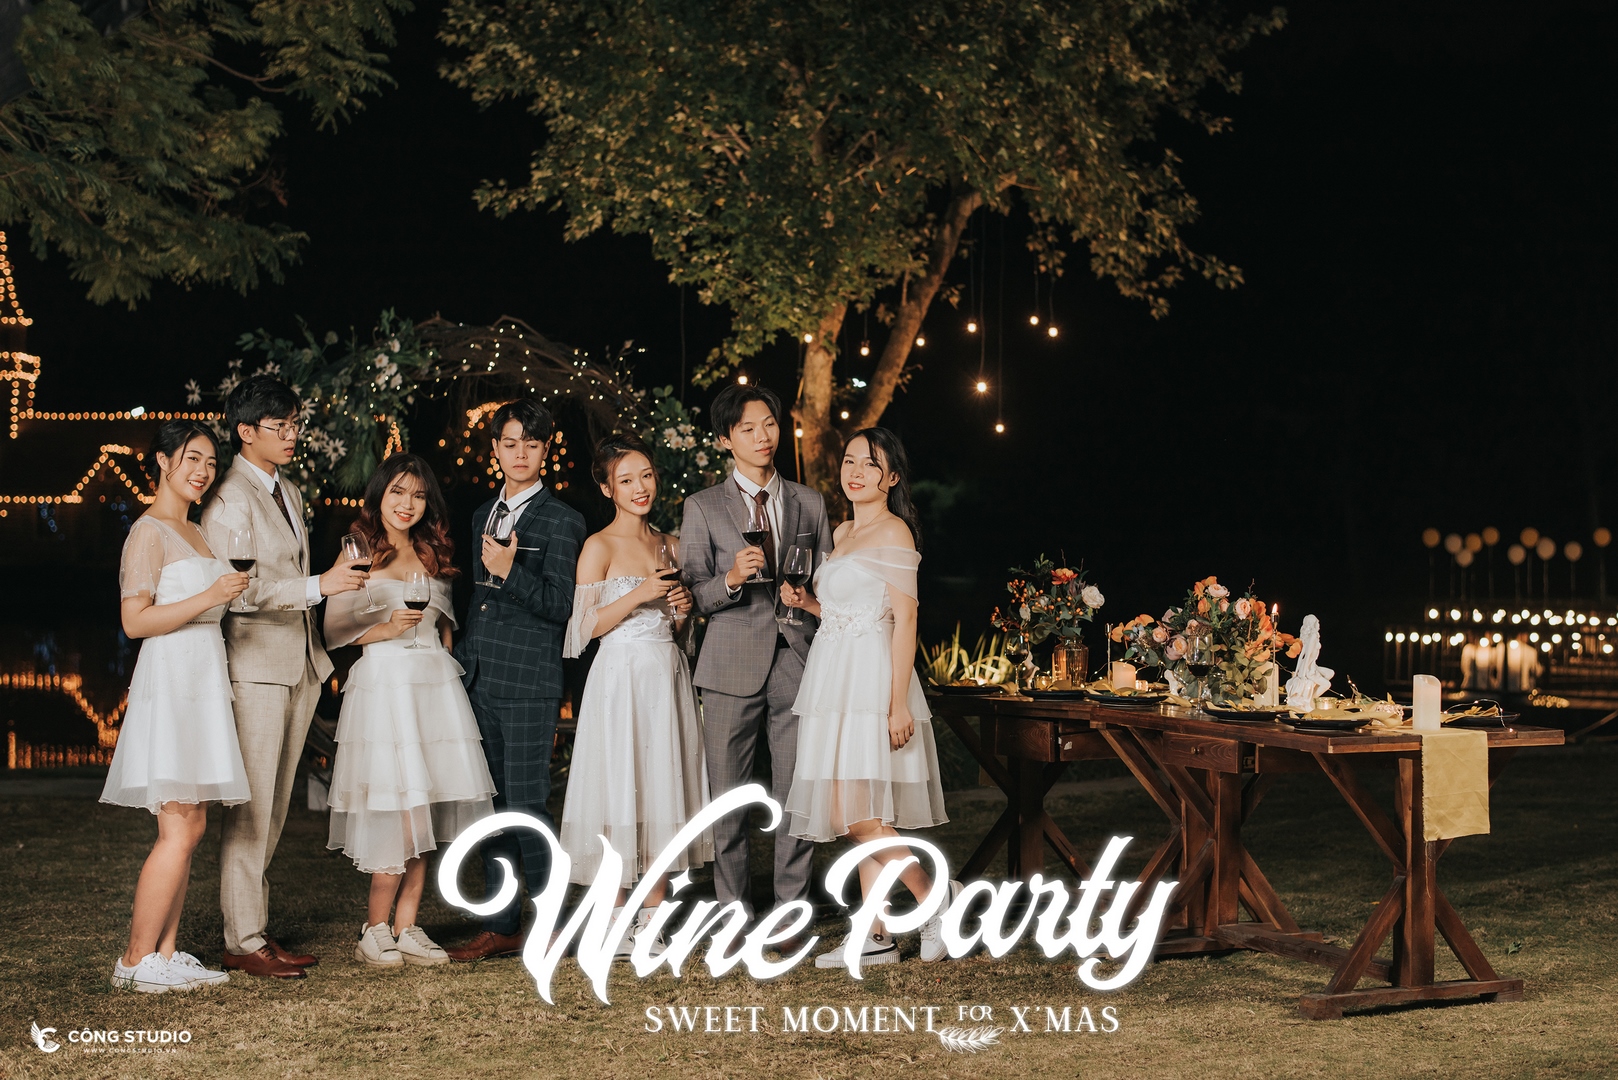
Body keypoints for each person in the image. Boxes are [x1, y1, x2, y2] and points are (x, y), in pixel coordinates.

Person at [201, 375, 368, 980]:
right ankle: (243, 940)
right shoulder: (228, 499)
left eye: (297, 424)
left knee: (272, 810)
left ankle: (253, 929)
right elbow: (237, 592)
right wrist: (320, 585)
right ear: (246, 432)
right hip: (255, 671)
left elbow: (286, 573)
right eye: (282, 426)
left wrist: (329, 579)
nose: (294, 434)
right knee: (251, 811)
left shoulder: (287, 489)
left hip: (297, 666)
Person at [778, 427, 959, 968]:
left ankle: (935, 902)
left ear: (892, 477)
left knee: (859, 814)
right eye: (850, 461)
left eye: (871, 464)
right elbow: (847, 611)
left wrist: (897, 703)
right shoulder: (843, 530)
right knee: (855, 811)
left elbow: (905, 619)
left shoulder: (894, 532)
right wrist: (809, 605)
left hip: (871, 680)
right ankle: (875, 935)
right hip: (834, 677)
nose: (856, 472)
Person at [322, 454, 497, 968]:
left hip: (431, 688)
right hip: (385, 687)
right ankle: (374, 928)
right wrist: (384, 629)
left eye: (419, 495)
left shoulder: (431, 553)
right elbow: (333, 633)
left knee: (426, 807)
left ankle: (407, 926)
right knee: (396, 811)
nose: (408, 504)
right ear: (379, 494)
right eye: (398, 492)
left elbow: (444, 628)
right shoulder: (358, 552)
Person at [103, 422, 251, 993]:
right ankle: (135, 960)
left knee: (192, 824)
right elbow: (134, 621)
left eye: (211, 462)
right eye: (192, 459)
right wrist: (209, 595)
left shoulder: (197, 530)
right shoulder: (148, 532)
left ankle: (165, 954)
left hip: (202, 676)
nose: (203, 471)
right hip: (171, 679)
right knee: (176, 826)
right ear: (163, 461)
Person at [679, 383, 833, 927]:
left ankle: (791, 909)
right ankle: (733, 912)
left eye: (769, 424)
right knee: (728, 797)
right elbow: (693, 593)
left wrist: (809, 598)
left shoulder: (810, 502)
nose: (762, 436)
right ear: (726, 439)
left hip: (796, 657)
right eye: (747, 428)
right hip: (728, 664)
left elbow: (828, 581)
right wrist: (730, 578)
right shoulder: (702, 506)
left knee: (795, 791)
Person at [447, 398, 587, 962]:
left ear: (545, 450)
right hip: (480, 676)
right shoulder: (482, 513)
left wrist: (511, 573)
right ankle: (502, 924)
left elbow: (560, 605)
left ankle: (551, 924)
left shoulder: (563, 520)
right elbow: (477, 599)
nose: (520, 453)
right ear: (496, 449)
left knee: (529, 806)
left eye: (531, 444)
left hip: (530, 680)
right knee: (492, 809)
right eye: (510, 443)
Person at [560, 435, 710, 957]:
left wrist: (683, 612)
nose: (640, 487)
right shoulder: (598, 547)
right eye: (626, 480)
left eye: (645, 475)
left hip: (665, 675)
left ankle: (652, 920)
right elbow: (580, 631)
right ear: (608, 489)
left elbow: (677, 631)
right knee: (619, 786)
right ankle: (616, 918)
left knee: (662, 785)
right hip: (619, 677)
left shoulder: (672, 544)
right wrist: (639, 594)